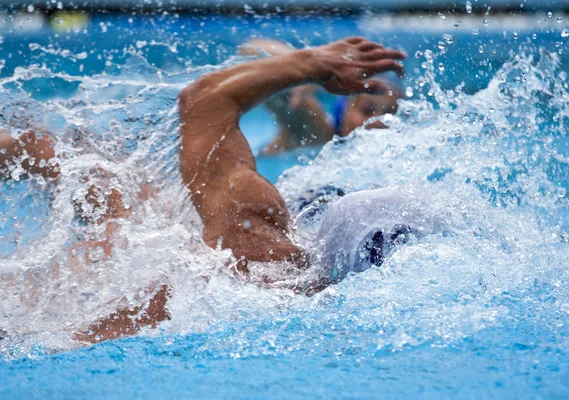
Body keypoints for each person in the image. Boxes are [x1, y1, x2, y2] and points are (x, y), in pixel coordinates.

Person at [1, 37, 407, 343]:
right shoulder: (307, 293)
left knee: (79, 175)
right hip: (88, 318)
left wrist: (309, 63)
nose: (377, 125)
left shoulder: (257, 245)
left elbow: (202, 99)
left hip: (53, 329)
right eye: (367, 109)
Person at [239, 39, 404, 154]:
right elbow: (253, 49)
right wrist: (307, 70)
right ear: (343, 110)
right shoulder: (315, 132)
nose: (379, 120)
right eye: (367, 110)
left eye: (391, 113)